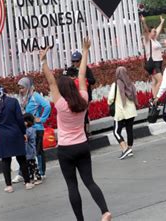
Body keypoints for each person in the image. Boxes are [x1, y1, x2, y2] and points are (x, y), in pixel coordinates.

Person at [40, 39, 112, 221]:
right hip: (82, 145)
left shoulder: (61, 104)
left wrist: (43, 61)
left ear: (63, 91)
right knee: (89, 181)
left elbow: (51, 82)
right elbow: (81, 76)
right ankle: (105, 211)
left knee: (72, 186)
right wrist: (85, 50)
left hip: (66, 149)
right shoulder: (84, 99)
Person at [0, 86, 34, 193]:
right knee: (21, 158)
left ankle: (9, 186)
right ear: (5, 92)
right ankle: (27, 183)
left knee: (5, 160)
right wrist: (23, 132)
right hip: (15, 133)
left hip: (3, 136)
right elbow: (19, 119)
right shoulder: (13, 102)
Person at [16, 77, 50, 183]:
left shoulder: (35, 96)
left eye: (22, 88)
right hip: (27, 129)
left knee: (38, 151)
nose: (21, 90)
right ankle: (22, 173)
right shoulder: (24, 99)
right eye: (19, 88)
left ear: (28, 87)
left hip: (37, 129)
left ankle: (41, 173)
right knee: (26, 152)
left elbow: (47, 105)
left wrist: (41, 119)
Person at [108, 66, 137, 160]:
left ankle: (125, 149)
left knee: (116, 132)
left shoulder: (116, 85)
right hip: (131, 111)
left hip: (120, 112)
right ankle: (130, 149)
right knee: (129, 130)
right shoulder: (130, 83)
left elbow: (110, 99)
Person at [71, 51, 97, 137]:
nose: (75, 63)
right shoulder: (70, 70)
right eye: (73, 61)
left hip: (85, 95)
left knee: (84, 114)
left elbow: (92, 81)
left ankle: (86, 131)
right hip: (75, 96)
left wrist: (82, 79)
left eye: (77, 61)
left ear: (81, 60)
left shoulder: (86, 69)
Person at [141, 15, 165, 98]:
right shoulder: (147, 40)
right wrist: (144, 22)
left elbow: (158, 29)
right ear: (149, 33)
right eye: (153, 31)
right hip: (153, 63)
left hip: (158, 62)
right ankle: (156, 99)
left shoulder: (155, 39)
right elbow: (146, 30)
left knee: (155, 82)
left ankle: (154, 100)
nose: (155, 32)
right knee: (161, 81)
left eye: (155, 31)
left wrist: (162, 22)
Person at [23, 113, 40, 184]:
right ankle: (31, 178)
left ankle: (38, 178)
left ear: (27, 122)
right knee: (29, 166)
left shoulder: (29, 130)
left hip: (30, 150)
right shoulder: (31, 129)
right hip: (28, 151)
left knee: (33, 165)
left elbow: (26, 139)